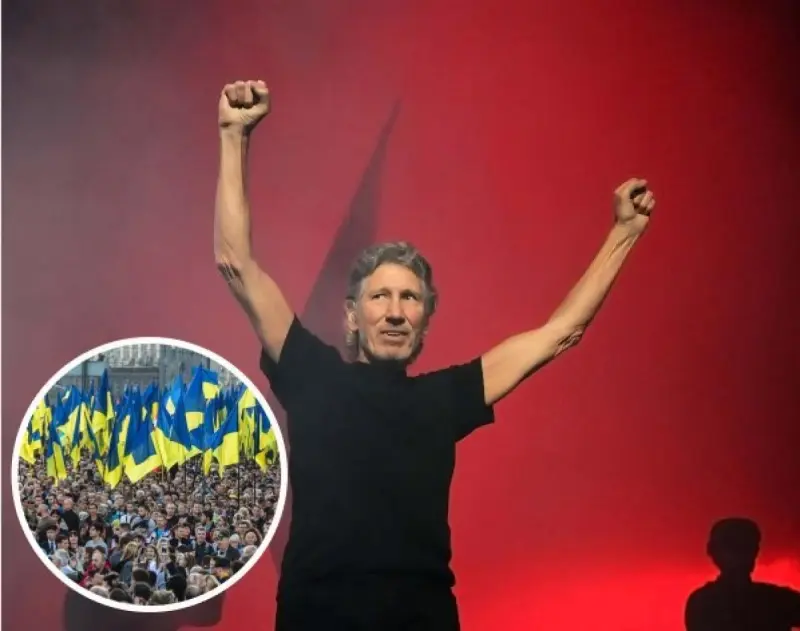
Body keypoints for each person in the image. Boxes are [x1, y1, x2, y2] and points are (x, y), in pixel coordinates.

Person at [214, 78, 658, 630]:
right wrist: (233, 134)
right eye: (380, 297)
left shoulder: (445, 398)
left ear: (426, 318)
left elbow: (562, 332)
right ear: (351, 315)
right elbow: (236, 265)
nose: (395, 312)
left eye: (410, 298)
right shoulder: (312, 374)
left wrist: (624, 232)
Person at [685, 517, 800, 630]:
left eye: (746, 547)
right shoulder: (780, 599)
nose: (740, 555)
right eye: (734, 548)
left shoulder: (701, 601)